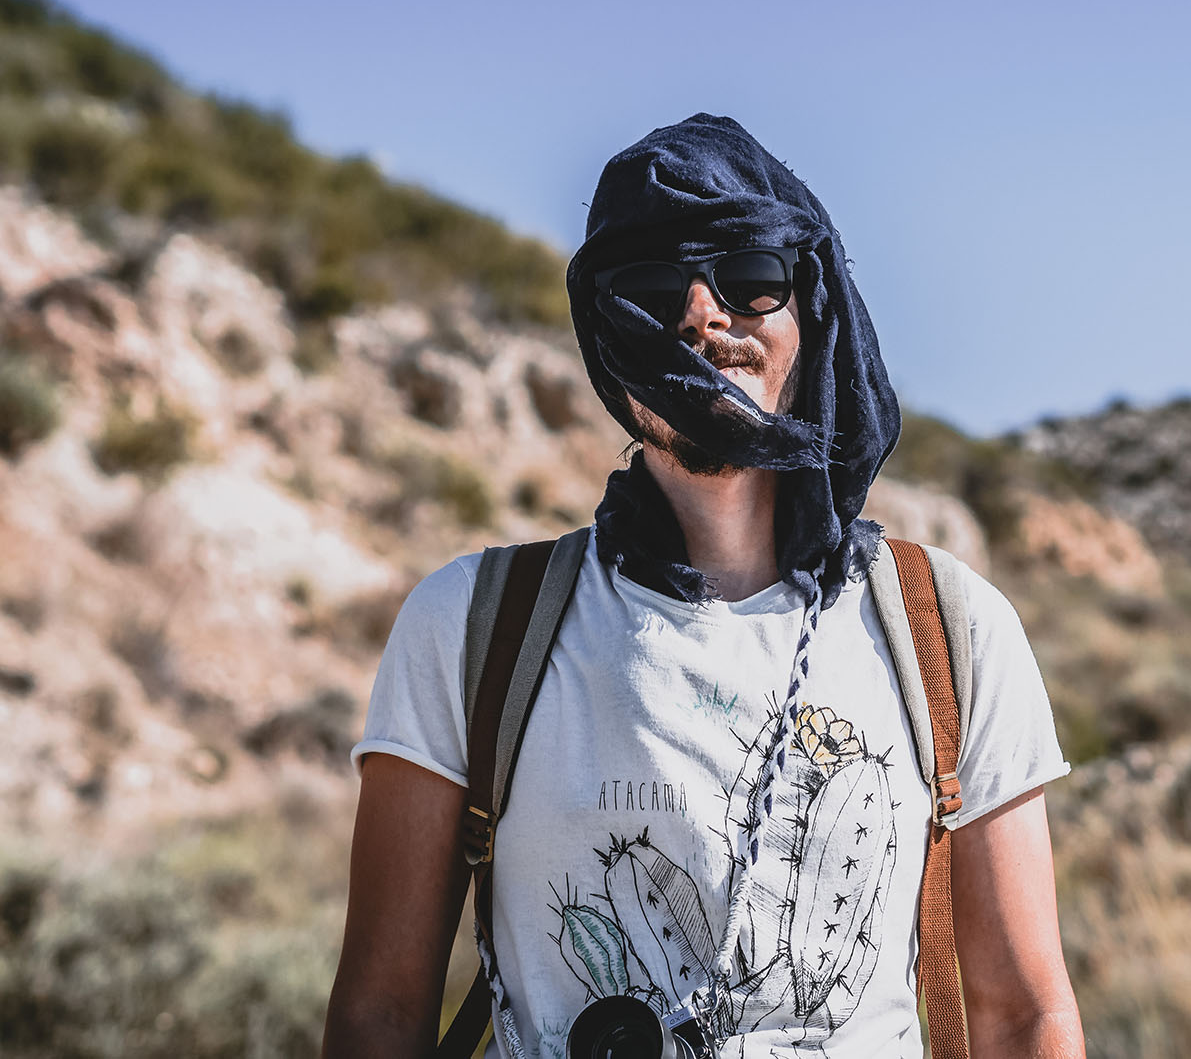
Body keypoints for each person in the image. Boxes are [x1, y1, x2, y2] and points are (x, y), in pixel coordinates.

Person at [323, 114, 1085, 1059]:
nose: (701, 313)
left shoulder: (949, 630)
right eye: (650, 289)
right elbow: (380, 1015)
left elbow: (1022, 1014)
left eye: (750, 278)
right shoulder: (473, 628)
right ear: (609, 341)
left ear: (811, 310)